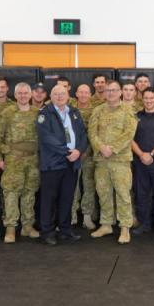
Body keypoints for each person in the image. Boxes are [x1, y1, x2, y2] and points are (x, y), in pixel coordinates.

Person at [88, 81, 138, 244]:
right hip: (102, 160)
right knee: (103, 193)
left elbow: (129, 133)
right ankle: (106, 224)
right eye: (108, 90)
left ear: (120, 92)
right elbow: (92, 132)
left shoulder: (128, 110)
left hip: (120, 160)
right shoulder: (98, 110)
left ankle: (125, 227)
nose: (111, 93)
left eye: (114, 90)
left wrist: (113, 148)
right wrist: (101, 147)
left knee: (123, 194)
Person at [37, 85, 88, 245]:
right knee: (49, 200)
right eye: (56, 94)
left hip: (72, 163)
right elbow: (47, 138)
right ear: (50, 97)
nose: (60, 96)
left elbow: (82, 134)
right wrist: (68, 152)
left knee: (67, 198)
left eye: (62, 94)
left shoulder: (74, 112)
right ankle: (47, 232)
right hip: (53, 163)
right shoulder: (44, 114)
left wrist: (79, 151)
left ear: (68, 95)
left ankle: (65, 230)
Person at [0, 82, 41, 244]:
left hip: (33, 159)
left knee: (29, 192)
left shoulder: (37, 113)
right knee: (11, 193)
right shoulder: (8, 113)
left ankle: (27, 226)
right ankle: (11, 227)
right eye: (19, 93)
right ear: (15, 95)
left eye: (25, 93)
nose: (23, 96)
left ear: (31, 95)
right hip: (13, 159)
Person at [131, 88, 154, 238]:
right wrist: (141, 154)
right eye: (146, 98)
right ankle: (144, 223)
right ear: (142, 100)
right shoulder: (135, 117)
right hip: (140, 161)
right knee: (141, 194)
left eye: (151, 98)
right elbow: (130, 139)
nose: (148, 100)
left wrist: (152, 154)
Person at [71, 84, 98, 230]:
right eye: (80, 92)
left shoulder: (95, 110)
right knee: (72, 186)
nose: (83, 94)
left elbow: (94, 133)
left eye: (86, 92)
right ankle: (72, 216)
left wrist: (85, 152)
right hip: (72, 154)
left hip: (89, 154)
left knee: (89, 186)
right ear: (76, 93)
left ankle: (87, 216)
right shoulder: (69, 110)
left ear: (90, 94)